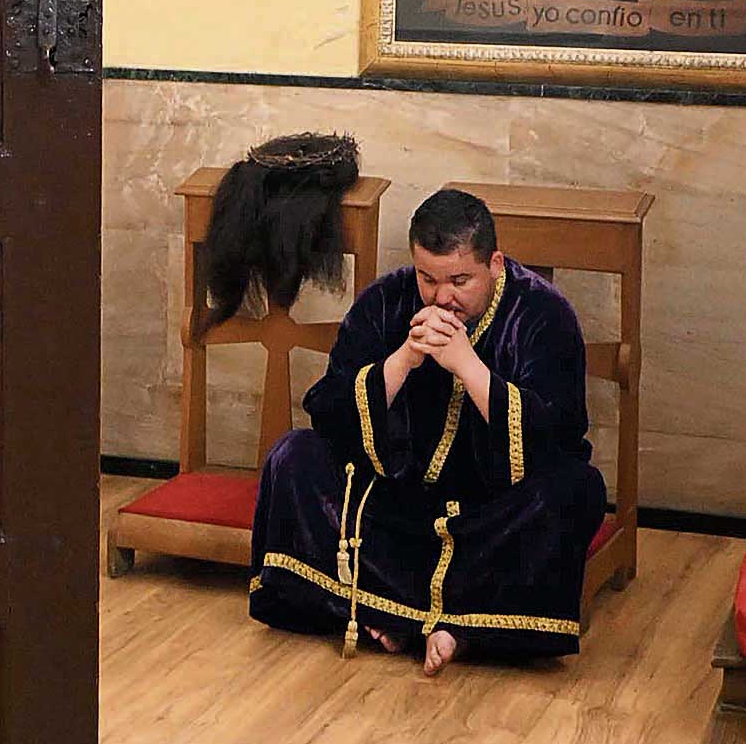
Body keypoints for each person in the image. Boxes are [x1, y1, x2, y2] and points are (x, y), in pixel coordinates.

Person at [248, 187, 606, 675]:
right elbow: (329, 414)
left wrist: (469, 367)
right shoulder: (385, 300)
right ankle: (405, 614)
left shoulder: (543, 315)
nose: (443, 297)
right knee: (294, 455)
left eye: (460, 280)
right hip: (396, 504)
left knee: (575, 490)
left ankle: (424, 619)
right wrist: (403, 361)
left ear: (494, 264)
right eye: (428, 279)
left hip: (491, 514)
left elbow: (557, 439)